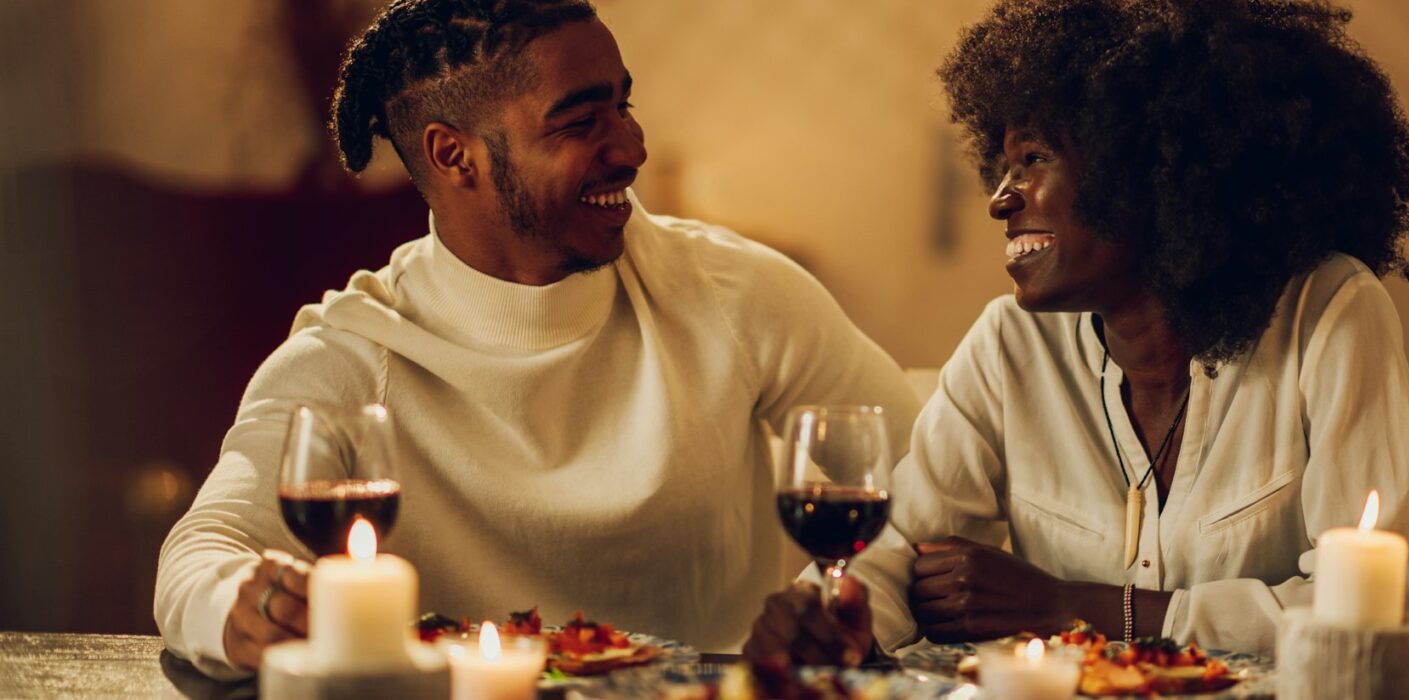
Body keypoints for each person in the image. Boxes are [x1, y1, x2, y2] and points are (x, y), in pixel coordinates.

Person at [154, 0, 920, 677]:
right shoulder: (354, 351)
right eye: (582, 121)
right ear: (456, 156)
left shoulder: (737, 296)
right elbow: (200, 554)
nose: (631, 147)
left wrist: (855, 607)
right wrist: (242, 609)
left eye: (624, 106)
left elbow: (924, 480)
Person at [744, 0, 1409, 666]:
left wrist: (1074, 608)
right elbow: (900, 550)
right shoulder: (1007, 349)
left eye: (1033, 159)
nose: (1000, 199)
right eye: (1000, 168)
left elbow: (1374, 610)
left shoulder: (1327, 315)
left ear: (1149, 170)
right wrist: (832, 611)